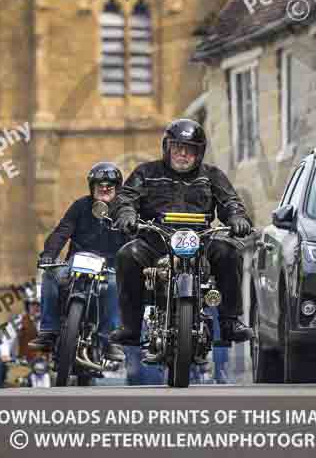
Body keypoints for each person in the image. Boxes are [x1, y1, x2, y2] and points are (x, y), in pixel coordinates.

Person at [108, 119, 253, 350]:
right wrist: (126, 214)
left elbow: (231, 202)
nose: (182, 154)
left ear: (199, 152)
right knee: (127, 255)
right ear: (167, 148)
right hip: (156, 243)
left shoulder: (212, 176)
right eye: (177, 148)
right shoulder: (145, 173)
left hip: (201, 242)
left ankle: (230, 322)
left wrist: (237, 218)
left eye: (190, 150)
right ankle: (130, 326)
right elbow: (125, 198)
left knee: (229, 252)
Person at [29, 162, 127, 361]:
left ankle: (109, 341)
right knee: (50, 274)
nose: (104, 189)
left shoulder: (125, 210)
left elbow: (133, 240)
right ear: (92, 187)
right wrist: (48, 254)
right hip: (76, 262)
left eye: (109, 185)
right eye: (99, 185)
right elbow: (62, 231)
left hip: (109, 267)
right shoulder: (80, 206)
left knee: (115, 285)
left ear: (117, 188)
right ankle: (48, 331)